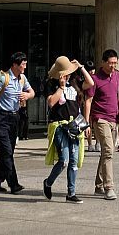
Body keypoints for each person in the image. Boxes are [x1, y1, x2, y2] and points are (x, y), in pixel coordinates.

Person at [43, 56, 92, 202]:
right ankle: (48, 182)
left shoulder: (75, 83)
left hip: (75, 125)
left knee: (74, 161)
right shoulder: (51, 84)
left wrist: (81, 67)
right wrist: (61, 87)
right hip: (59, 125)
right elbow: (51, 102)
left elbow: (91, 83)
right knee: (64, 160)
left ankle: (71, 193)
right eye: (64, 73)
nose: (67, 75)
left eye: (68, 72)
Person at [0, 51, 34, 194]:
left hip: (15, 117)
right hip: (2, 118)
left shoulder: (22, 78)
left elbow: (32, 92)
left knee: (8, 152)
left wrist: (27, 95)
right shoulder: (3, 78)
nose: (25, 67)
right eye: (23, 64)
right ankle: (14, 184)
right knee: (6, 152)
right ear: (14, 65)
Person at [88, 48, 119, 200]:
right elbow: (88, 101)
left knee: (106, 152)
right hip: (100, 118)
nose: (113, 66)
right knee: (109, 150)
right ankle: (109, 187)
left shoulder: (117, 75)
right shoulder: (95, 79)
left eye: (115, 63)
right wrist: (86, 121)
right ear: (103, 62)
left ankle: (98, 185)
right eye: (110, 63)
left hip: (114, 118)